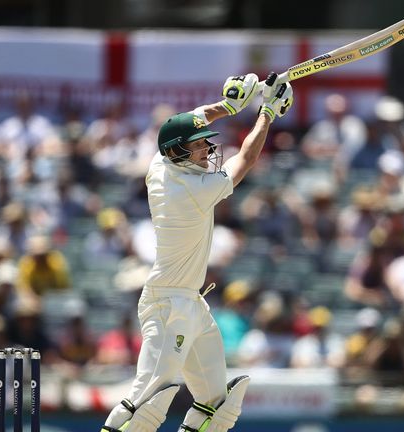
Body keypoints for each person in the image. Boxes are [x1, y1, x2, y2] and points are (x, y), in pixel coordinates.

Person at [101, 72, 293, 432]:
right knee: (148, 401)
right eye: (200, 145)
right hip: (168, 304)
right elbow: (246, 161)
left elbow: (190, 119)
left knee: (217, 405)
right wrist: (267, 111)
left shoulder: (160, 165)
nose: (208, 150)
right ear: (178, 151)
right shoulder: (192, 189)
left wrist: (230, 106)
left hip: (191, 303)